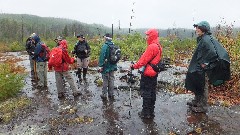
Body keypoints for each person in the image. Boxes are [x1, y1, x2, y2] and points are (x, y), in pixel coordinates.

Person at [185, 21, 223, 113]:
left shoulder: (206, 39)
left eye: (199, 27)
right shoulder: (203, 38)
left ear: (204, 29)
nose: (196, 29)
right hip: (198, 67)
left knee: (203, 86)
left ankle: (203, 106)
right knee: (198, 84)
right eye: (196, 27)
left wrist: (206, 63)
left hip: (203, 69)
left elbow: (213, 53)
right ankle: (197, 101)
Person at [130, 29, 162, 119]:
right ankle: (151, 112)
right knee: (152, 92)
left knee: (146, 93)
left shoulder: (152, 47)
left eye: (147, 35)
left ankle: (145, 113)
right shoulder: (158, 45)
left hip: (148, 73)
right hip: (154, 73)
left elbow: (143, 61)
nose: (146, 37)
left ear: (152, 36)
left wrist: (134, 66)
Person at [98, 33, 117, 100]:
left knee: (105, 80)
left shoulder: (105, 46)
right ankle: (111, 94)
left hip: (106, 67)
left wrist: (100, 66)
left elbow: (102, 57)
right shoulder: (114, 45)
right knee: (111, 79)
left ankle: (104, 95)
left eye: (104, 37)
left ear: (106, 38)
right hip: (113, 66)